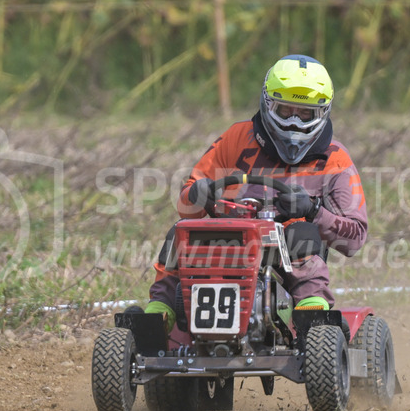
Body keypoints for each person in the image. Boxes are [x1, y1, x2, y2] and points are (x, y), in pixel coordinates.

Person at [139, 54, 368, 332]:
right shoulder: (237, 139)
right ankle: (159, 315)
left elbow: (354, 238)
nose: (294, 121)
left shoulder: (336, 161)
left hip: (289, 261)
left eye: (304, 113)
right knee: (182, 229)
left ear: (321, 112)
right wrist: (200, 194)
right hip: (230, 243)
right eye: (285, 110)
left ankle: (311, 313)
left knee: (300, 230)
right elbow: (187, 201)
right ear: (269, 103)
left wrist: (313, 211)